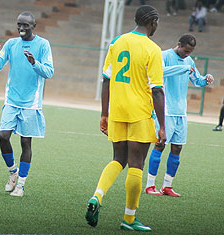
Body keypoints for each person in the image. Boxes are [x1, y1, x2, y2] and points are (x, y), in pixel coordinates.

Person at [85, 5, 166, 232]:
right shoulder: (153, 49)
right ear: (153, 22)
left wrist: (104, 113)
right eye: (157, 23)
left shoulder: (116, 42)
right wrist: (162, 127)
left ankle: (97, 196)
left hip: (117, 111)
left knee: (118, 159)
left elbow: (105, 80)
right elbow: (157, 90)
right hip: (140, 113)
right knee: (136, 164)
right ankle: (129, 219)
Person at [0, 11, 54, 197]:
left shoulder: (43, 45)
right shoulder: (11, 44)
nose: (21, 28)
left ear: (34, 26)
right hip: (11, 100)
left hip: (31, 103)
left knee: (25, 142)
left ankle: (21, 185)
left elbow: (49, 72)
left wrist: (35, 63)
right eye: (19, 24)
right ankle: (13, 172)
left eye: (26, 25)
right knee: (3, 137)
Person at [145, 35, 214, 197]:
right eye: (185, 51)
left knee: (177, 147)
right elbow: (159, 73)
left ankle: (167, 186)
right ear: (178, 45)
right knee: (160, 145)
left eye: (190, 52)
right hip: (165, 110)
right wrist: (181, 68)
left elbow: (197, 81)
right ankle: (150, 185)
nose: (187, 55)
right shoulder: (164, 55)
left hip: (181, 112)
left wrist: (206, 79)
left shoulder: (189, 61)